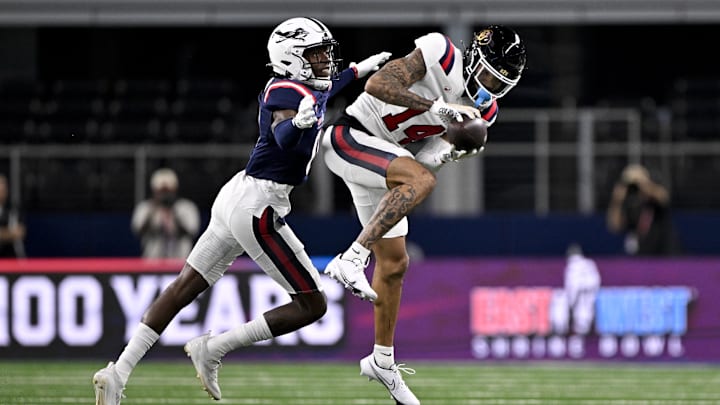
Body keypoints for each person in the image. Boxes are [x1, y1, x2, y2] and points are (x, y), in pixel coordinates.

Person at [91, 17, 390, 405]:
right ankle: (215, 349)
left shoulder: (299, 85)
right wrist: (297, 124)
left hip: (238, 194)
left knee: (184, 286)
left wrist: (358, 70)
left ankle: (118, 371)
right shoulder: (286, 91)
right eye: (317, 54)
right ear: (293, 59)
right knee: (312, 304)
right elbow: (285, 134)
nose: (325, 61)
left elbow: (327, 88)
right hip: (259, 206)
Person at [321, 25, 526, 404]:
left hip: (385, 163)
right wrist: (435, 107)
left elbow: (425, 160)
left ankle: (382, 360)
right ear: (474, 60)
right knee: (419, 182)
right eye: (487, 77)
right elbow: (377, 86)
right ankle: (351, 258)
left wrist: (450, 149)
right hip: (351, 135)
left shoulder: (485, 111)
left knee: (396, 263)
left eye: (499, 86)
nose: (489, 90)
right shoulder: (441, 53)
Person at [606, 163, 683, 256]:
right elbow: (615, 226)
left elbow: (664, 197)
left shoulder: (654, 201)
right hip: (642, 257)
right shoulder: (629, 204)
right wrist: (617, 201)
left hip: (665, 254)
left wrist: (642, 183)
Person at [131, 167, 201, 258]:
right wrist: (153, 211)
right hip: (152, 262)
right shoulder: (145, 208)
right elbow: (138, 231)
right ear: (154, 190)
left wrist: (173, 213)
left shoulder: (186, 207)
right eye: (161, 191)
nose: (164, 195)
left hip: (181, 262)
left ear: (175, 189)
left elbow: (191, 232)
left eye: (168, 191)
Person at [563, 244, 601, 335]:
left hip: (580, 297)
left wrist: (571, 303)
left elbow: (572, 286)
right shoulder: (590, 263)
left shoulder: (572, 266)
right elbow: (596, 281)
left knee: (582, 319)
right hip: (589, 296)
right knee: (586, 318)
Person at [0, 173, 26, 258]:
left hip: (12, 260)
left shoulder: (13, 209)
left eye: (4, 186)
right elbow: (13, 233)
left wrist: (4, 234)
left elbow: (19, 233)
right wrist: (9, 233)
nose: (2, 189)